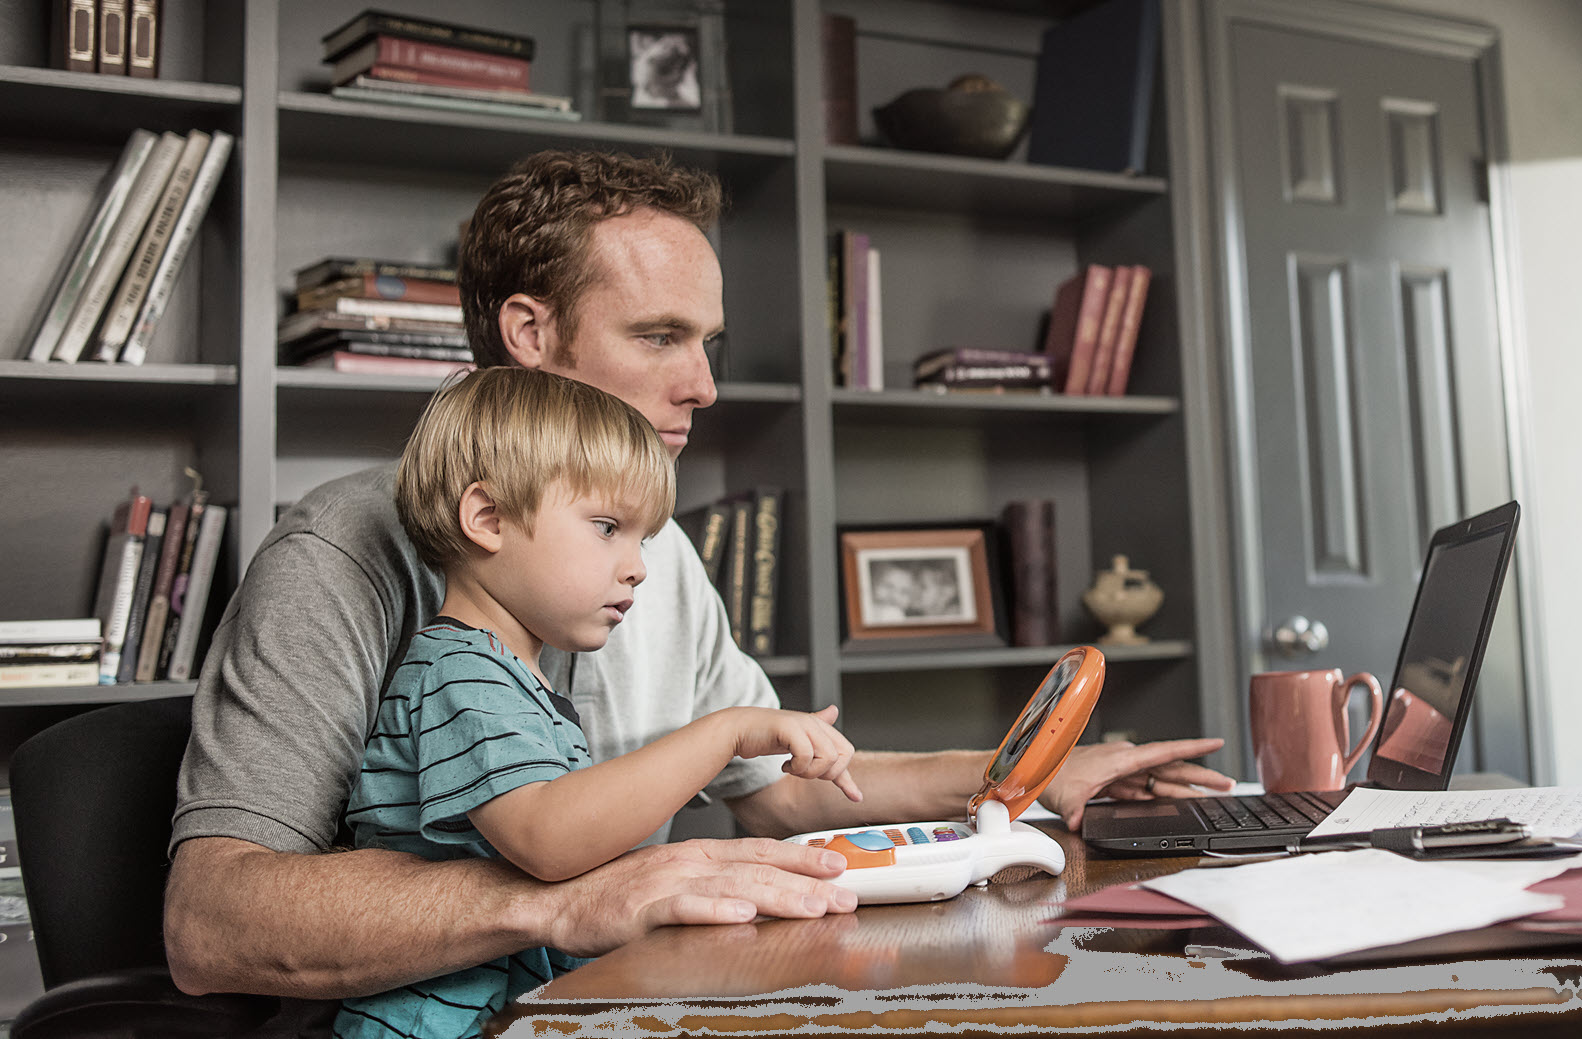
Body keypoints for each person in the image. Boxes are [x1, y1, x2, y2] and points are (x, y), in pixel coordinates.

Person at [166, 149, 1230, 1017]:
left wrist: (1023, 779)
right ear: (530, 335)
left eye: (708, 342)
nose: (705, 386)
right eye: (660, 337)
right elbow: (212, 926)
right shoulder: (338, 554)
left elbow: (771, 789)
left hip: (616, 1000)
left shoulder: (654, 548)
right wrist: (573, 898)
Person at [337, 367, 860, 1039]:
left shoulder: (505, 676)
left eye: (642, 539)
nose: (638, 564)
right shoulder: (457, 673)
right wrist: (723, 732)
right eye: (607, 526)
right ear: (487, 518)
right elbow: (550, 840)